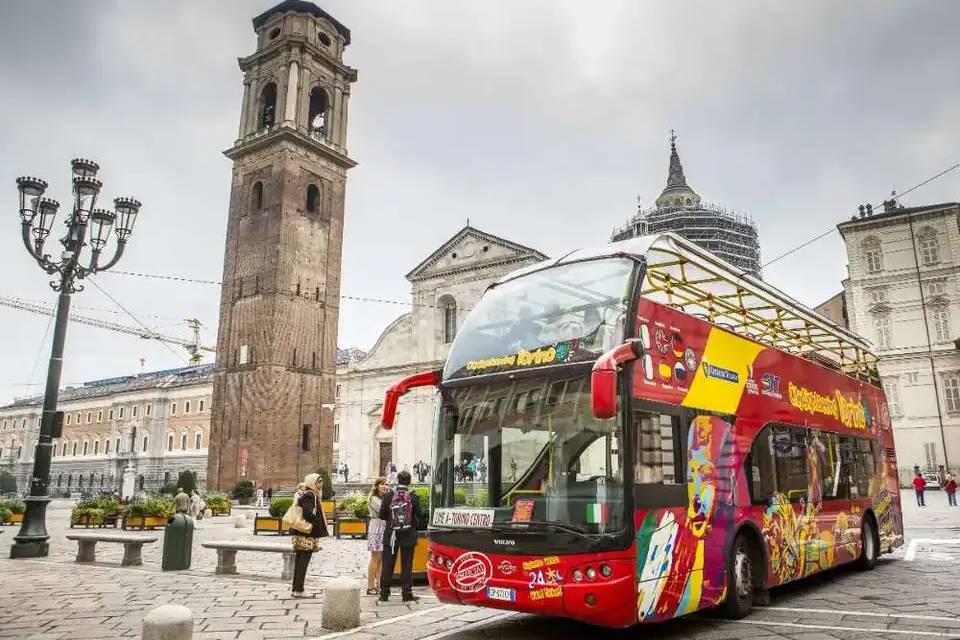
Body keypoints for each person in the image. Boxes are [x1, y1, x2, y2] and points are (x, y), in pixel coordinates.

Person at [379, 470, 421, 602]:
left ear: (397, 480)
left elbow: (381, 515)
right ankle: (406, 593)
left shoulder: (389, 495)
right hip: (408, 535)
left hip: (391, 535)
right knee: (407, 565)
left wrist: (393, 522)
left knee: (387, 564)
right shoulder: (413, 496)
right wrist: (411, 524)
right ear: (409, 481)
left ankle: (384, 593)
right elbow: (420, 514)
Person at [291, 473, 329, 598]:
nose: (321, 483)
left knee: (299, 560)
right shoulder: (310, 494)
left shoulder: (310, 494)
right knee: (303, 561)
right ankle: (299, 589)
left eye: (322, 481)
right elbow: (307, 513)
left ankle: (296, 589)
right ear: (312, 482)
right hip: (306, 532)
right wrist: (318, 522)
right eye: (319, 481)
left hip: (302, 531)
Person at [366, 477, 389, 595]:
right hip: (376, 527)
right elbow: (383, 511)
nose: (385, 486)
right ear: (377, 486)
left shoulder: (384, 497)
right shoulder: (374, 499)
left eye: (386, 484)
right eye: (382, 484)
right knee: (375, 556)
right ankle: (370, 586)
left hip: (384, 527)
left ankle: (379, 584)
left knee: (381, 557)